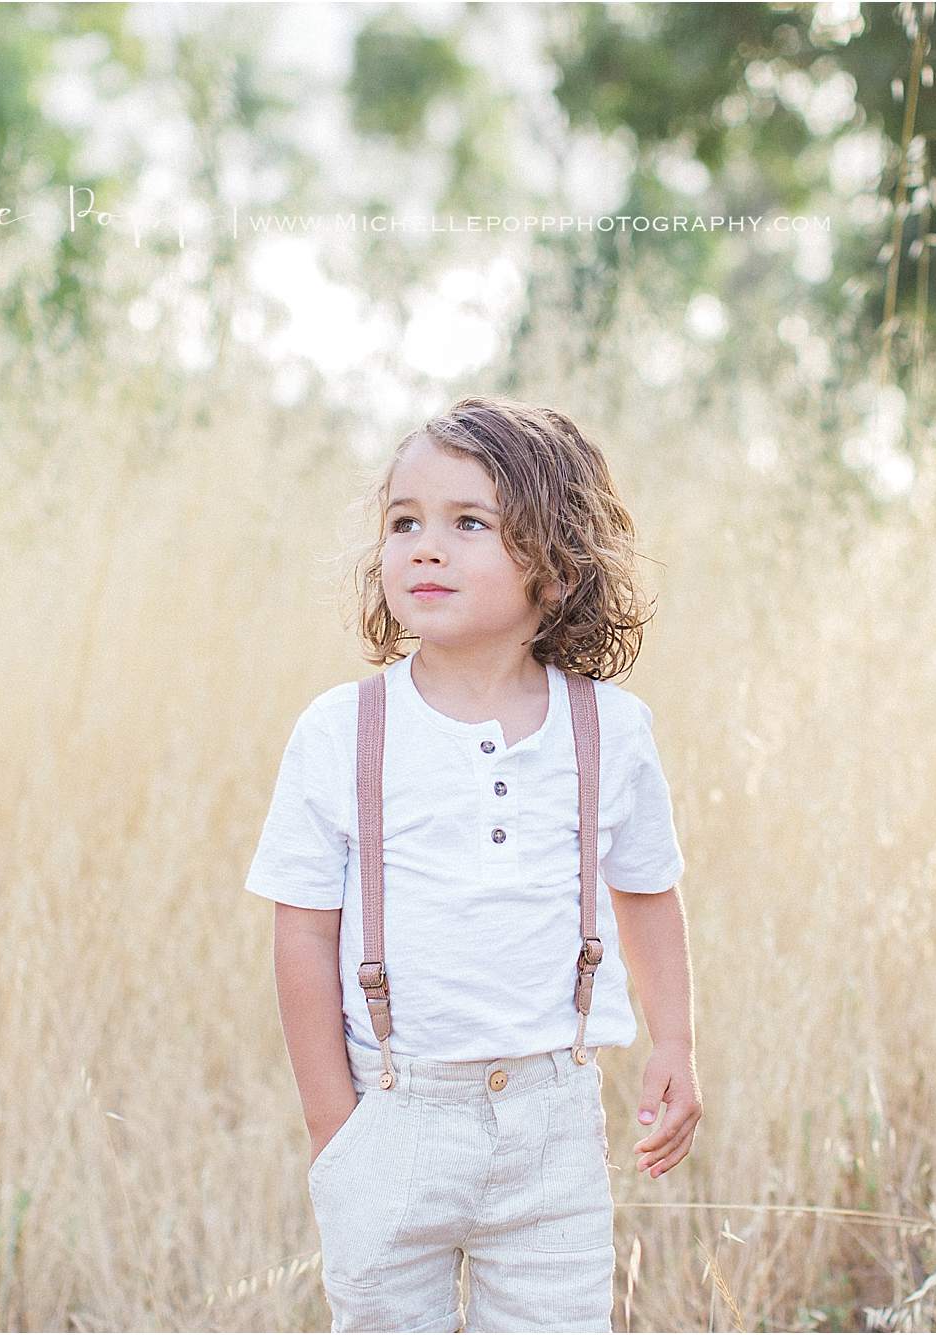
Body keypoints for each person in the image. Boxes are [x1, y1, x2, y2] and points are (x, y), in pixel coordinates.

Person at [245, 395, 703, 1332]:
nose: (423, 546)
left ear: (554, 561)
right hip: (391, 1110)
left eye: (468, 524)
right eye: (404, 521)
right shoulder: (344, 731)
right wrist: (336, 1128)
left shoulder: (609, 730)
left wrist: (675, 1042)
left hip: (552, 1124)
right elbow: (302, 930)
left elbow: (648, 893)